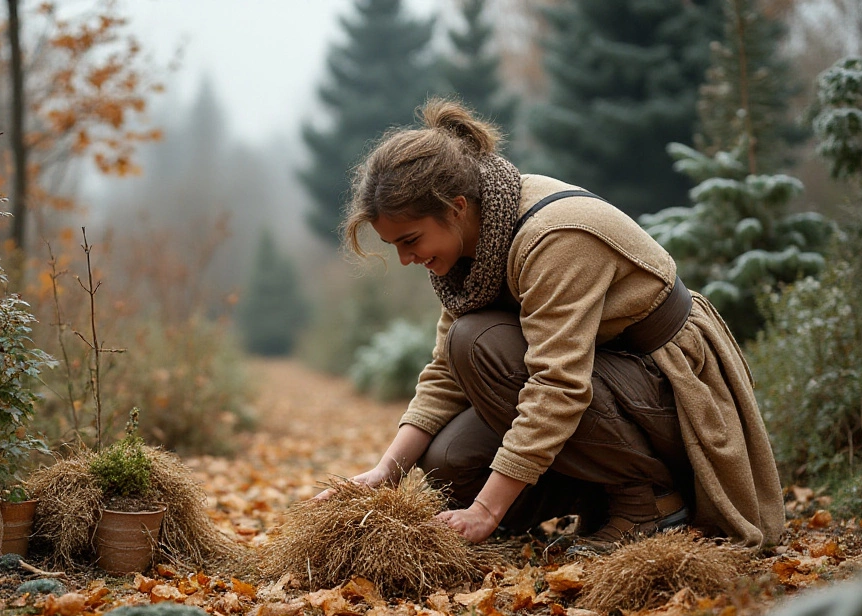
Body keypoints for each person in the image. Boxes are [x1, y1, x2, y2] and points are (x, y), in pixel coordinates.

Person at [336, 99, 784, 552]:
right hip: (610, 389)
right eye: (395, 245)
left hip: (677, 391)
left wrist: (486, 511)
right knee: (446, 462)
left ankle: (652, 502)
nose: (406, 259)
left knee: (477, 341)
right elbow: (445, 374)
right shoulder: (471, 251)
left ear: (455, 208)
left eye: (411, 240)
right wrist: (385, 470)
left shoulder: (554, 237)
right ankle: (603, 495)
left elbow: (558, 385)